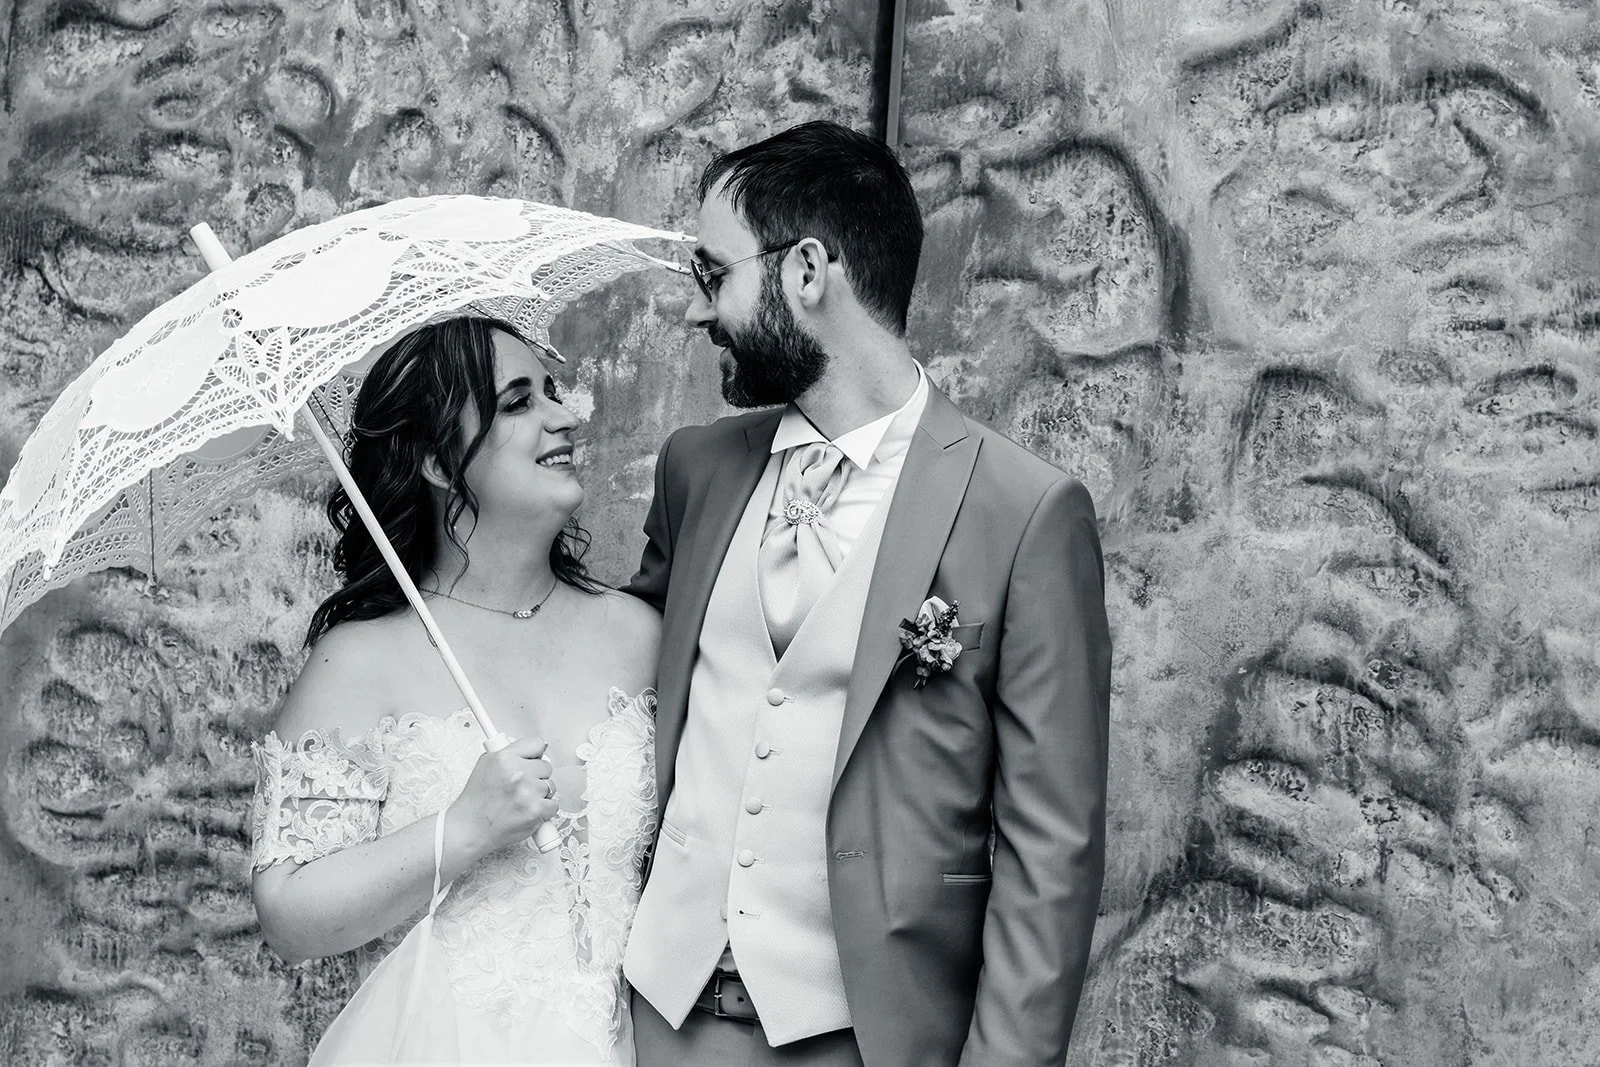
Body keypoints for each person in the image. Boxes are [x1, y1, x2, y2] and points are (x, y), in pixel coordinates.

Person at [622, 121, 1112, 1066]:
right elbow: (619, 679)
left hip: (860, 1038)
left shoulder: (1024, 512)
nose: (696, 312)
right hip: (658, 1017)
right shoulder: (696, 471)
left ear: (806, 271)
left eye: (711, 273)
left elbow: (1053, 851)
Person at [249, 316, 659, 1065]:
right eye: (517, 401)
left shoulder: (639, 634)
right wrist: (462, 827)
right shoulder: (360, 660)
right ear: (440, 460)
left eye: (553, 391)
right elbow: (289, 914)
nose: (565, 416)